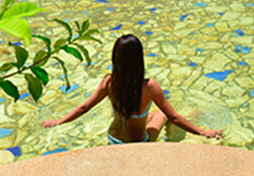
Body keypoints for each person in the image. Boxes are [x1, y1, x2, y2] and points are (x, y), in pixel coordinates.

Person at [41, 34, 223, 144]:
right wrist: (203, 132)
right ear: (139, 60)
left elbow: (84, 107)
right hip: (138, 144)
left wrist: (59, 121)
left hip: (113, 140)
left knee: (147, 115)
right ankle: (175, 136)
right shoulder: (150, 87)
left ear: (115, 59)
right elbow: (175, 116)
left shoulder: (109, 83)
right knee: (163, 114)